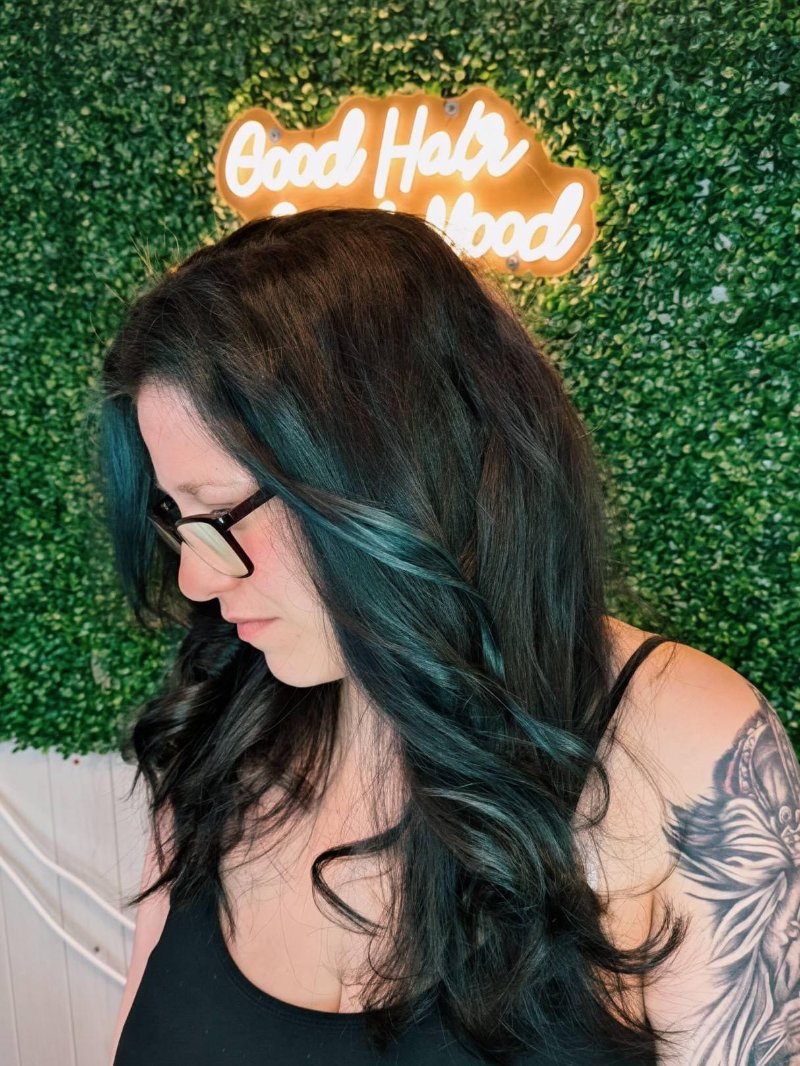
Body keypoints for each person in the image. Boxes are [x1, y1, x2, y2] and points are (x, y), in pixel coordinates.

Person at [93, 207, 797, 1066]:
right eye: (177, 518)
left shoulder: (686, 744)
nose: (197, 582)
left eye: (221, 513)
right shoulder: (221, 727)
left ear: (394, 472)